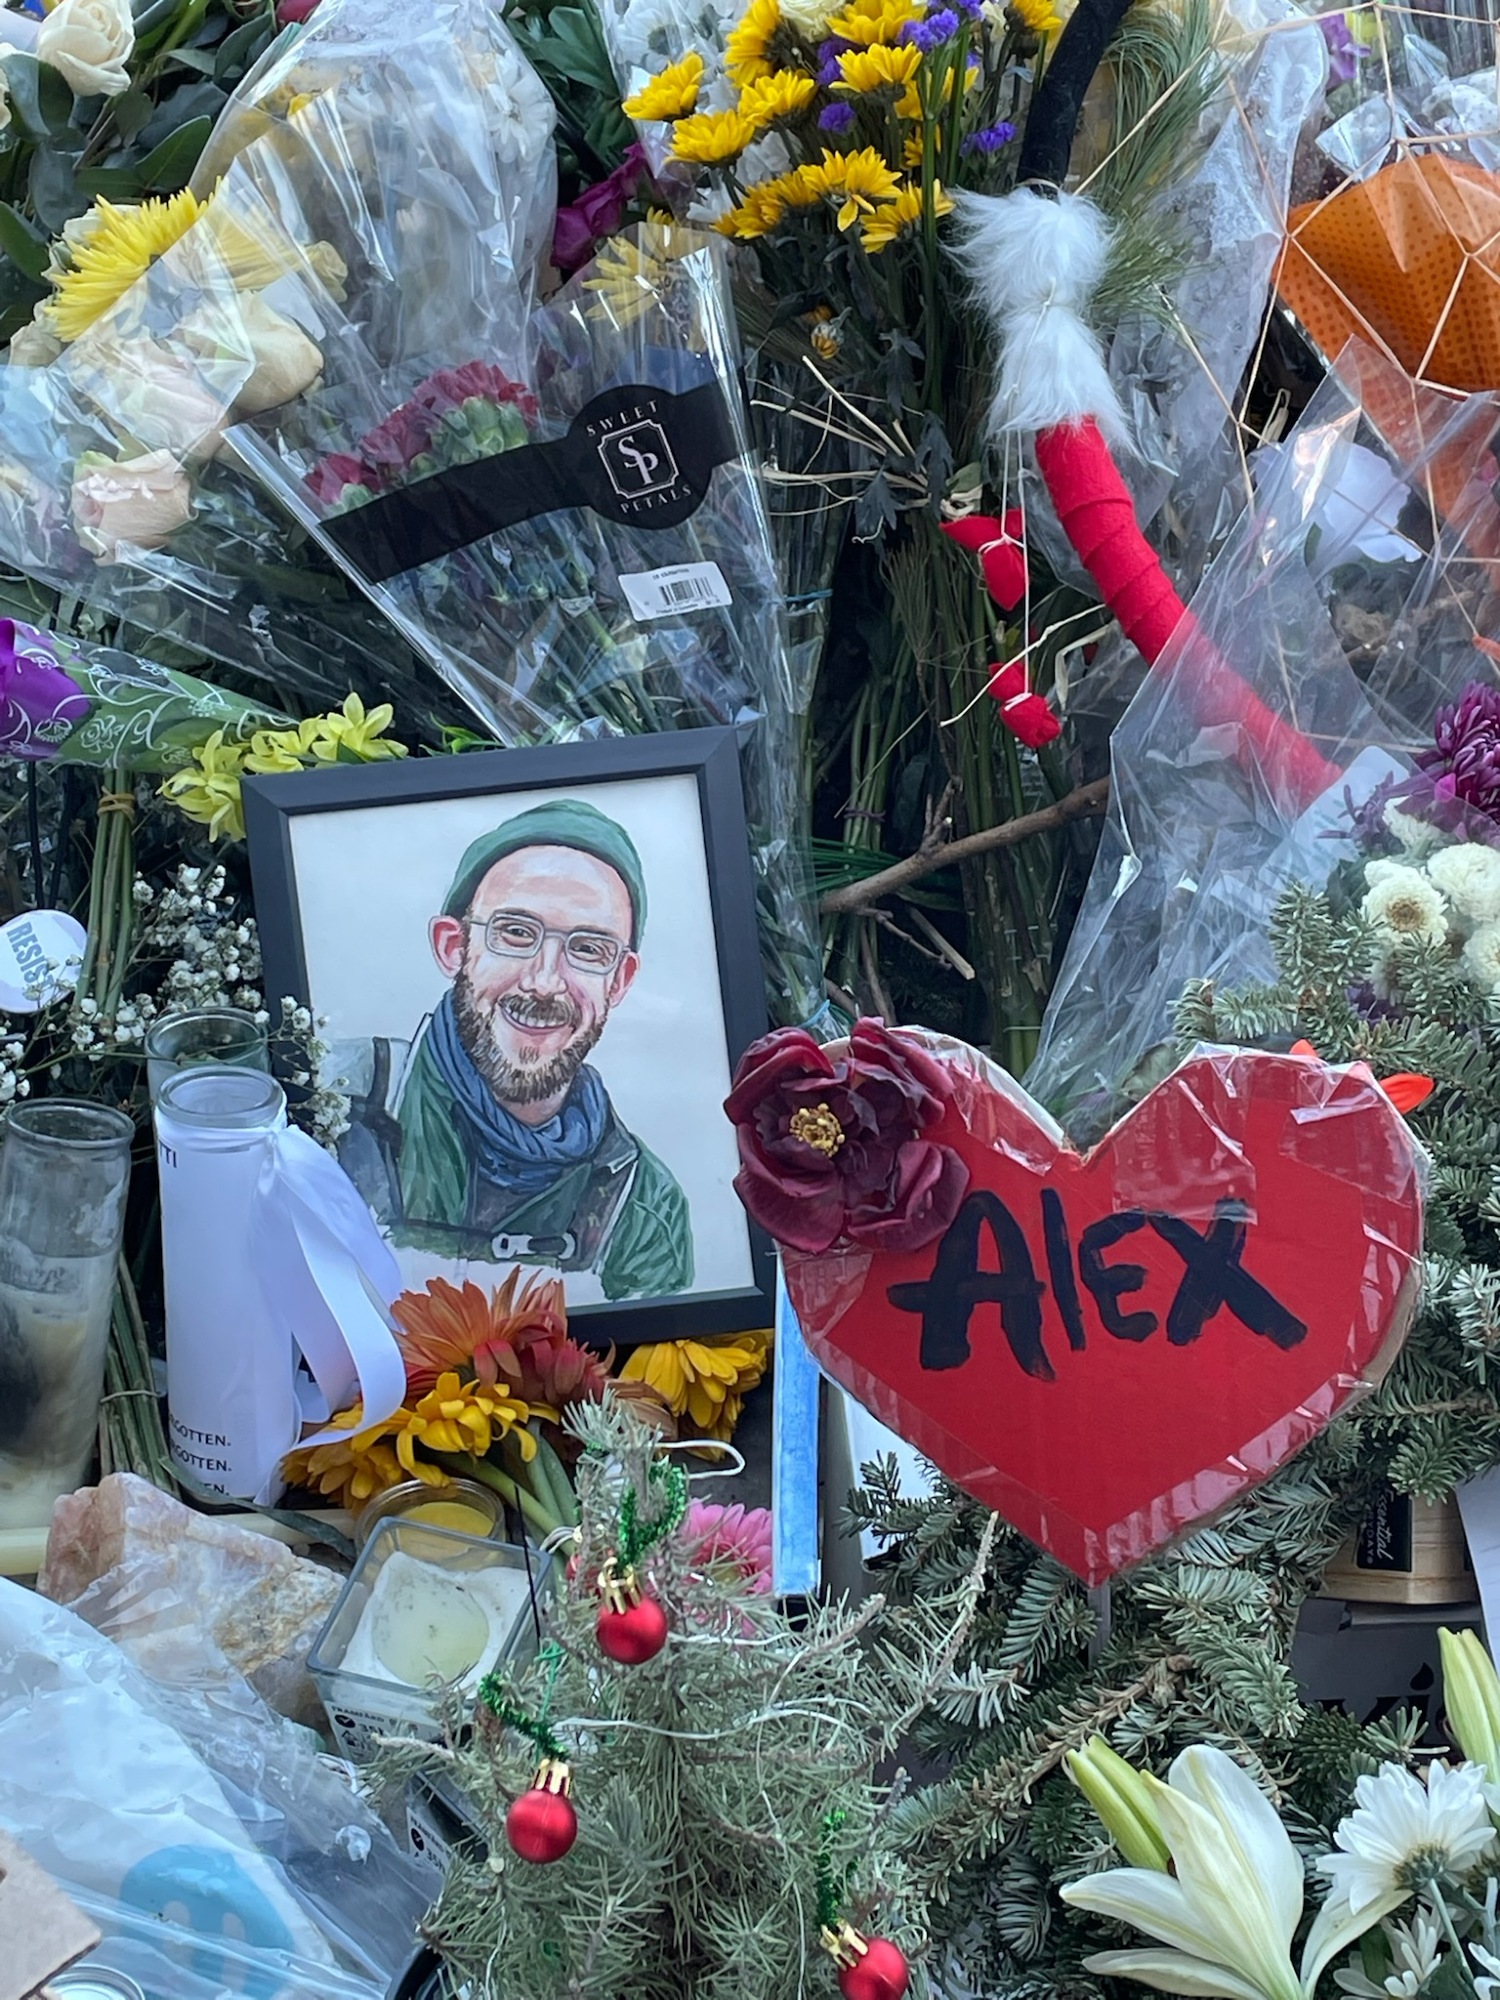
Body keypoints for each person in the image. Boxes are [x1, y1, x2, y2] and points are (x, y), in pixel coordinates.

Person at [337, 798, 692, 1301]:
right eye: (516, 933)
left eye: (588, 949)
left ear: (619, 981)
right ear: (453, 947)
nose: (544, 982)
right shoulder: (328, 1103)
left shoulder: (642, 1206)